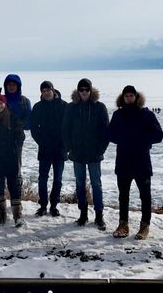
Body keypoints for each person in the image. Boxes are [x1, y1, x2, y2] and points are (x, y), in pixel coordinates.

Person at [108, 86, 163, 240]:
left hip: (141, 161)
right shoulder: (118, 115)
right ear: (123, 98)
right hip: (123, 160)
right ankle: (123, 224)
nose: (129, 98)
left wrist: (142, 138)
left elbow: (159, 135)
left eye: (131, 95)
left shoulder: (146, 114)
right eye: (126, 96)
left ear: (136, 97)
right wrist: (123, 138)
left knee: (145, 195)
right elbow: (110, 134)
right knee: (123, 195)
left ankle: (145, 225)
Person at [62, 78, 109, 230]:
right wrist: (69, 148)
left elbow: (105, 131)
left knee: (96, 184)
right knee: (80, 184)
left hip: (94, 153)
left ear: (90, 90)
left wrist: (100, 149)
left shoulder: (99, 107)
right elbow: (65, 129)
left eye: (86, 89)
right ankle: (83, 214)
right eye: (81, 89)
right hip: (78, 153)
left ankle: (99, 215)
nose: (84, 92)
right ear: (78, 91)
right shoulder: (71, 107)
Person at [0, 91, 26, 227]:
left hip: (11, 159)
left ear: (5, 104)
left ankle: (17, 216)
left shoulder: (13, 118)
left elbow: (20, 138)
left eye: (1, 103)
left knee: (14, 187)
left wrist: (20, 133)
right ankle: (2, 214)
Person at [30, 80, 67, 217]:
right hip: (45, 148)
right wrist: (41, 142)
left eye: (48, 90)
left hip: (60, 149)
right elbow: (34, 128)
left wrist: (65, 144)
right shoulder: (38, 107)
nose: (46, 93)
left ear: (53, 90)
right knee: (42, 179)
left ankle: (54, 205)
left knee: (58, 179)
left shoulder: (64, 106)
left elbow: (68, 127)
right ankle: (43, 205)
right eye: (43, 91)